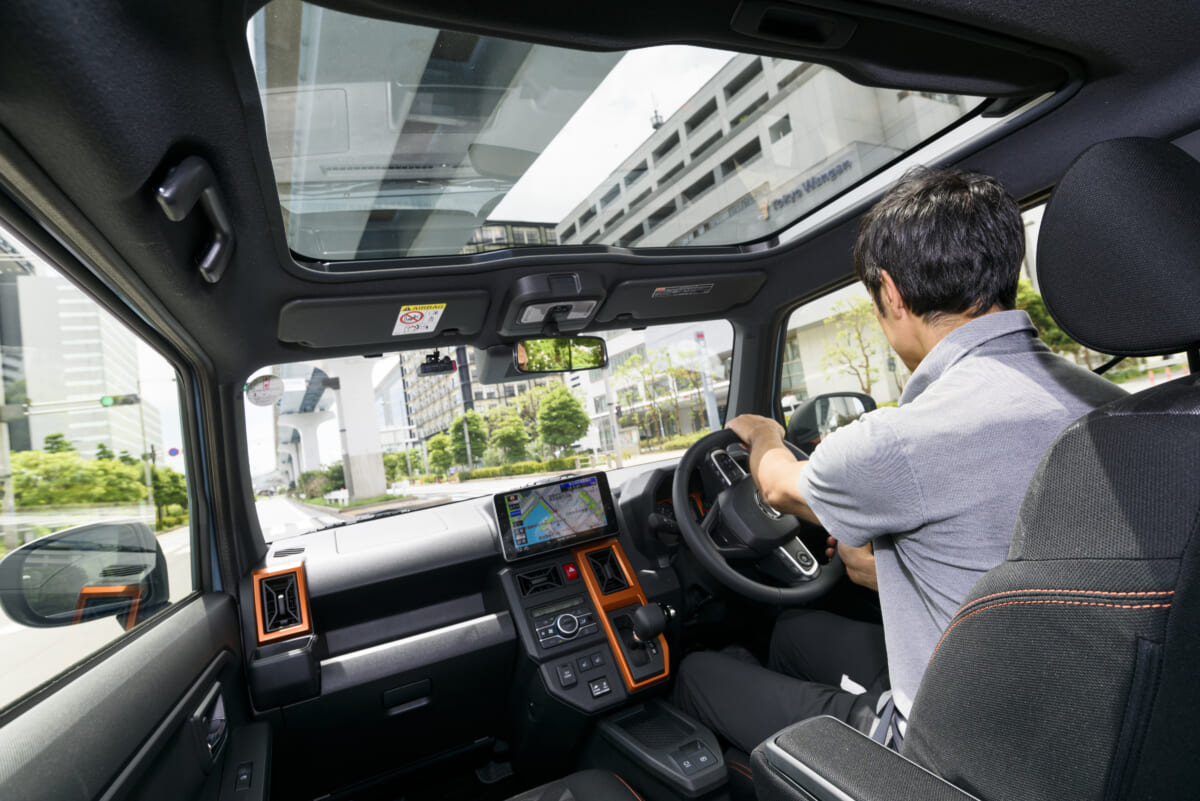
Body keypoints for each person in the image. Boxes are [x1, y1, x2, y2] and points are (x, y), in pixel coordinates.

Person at [673, 166, 1128, 753]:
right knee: (793, 631)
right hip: (1079, 706)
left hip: (947, 748)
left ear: (890, 293)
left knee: (697, 675)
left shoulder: (901, 439)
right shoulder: (1119, 409)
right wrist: (892, 568)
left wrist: (762, 432)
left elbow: (779, 486)